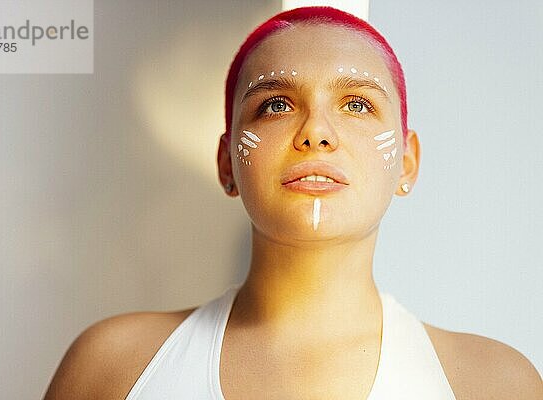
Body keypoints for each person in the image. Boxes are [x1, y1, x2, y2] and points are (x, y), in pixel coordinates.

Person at [43, 6, 542, 400]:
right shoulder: (112, 367)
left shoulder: (495, 384)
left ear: (406, 163)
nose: (316, 133)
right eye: (276, 105)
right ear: (226, 164)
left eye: (357, 104)